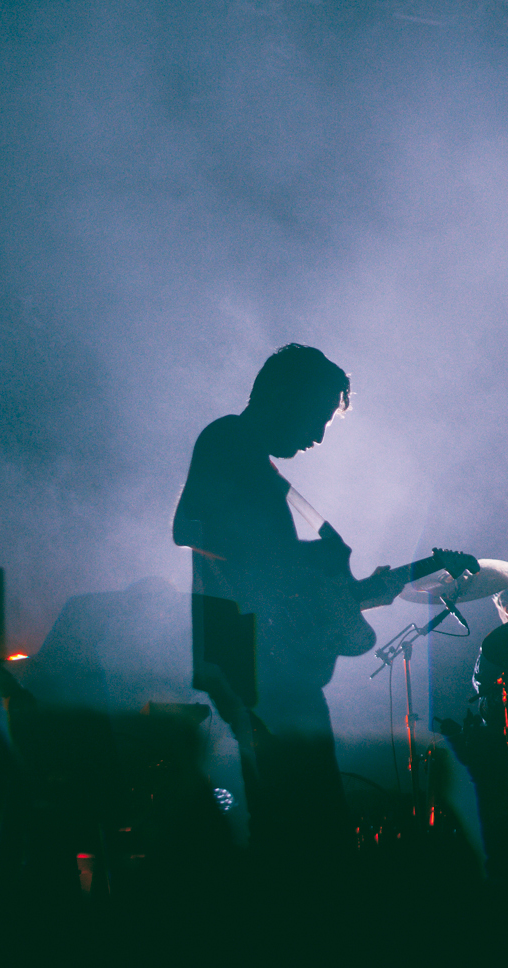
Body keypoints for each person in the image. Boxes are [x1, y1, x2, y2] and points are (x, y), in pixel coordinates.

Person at [172, 344, 405, 863]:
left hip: (269, 666)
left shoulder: (260, 467)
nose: (317, 436)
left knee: (295, 825)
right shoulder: (228, 438)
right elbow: (186, 527)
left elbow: (286, 596)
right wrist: (303, 565)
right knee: (309, 831)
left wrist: (357, 593)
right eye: (315, 418)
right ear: (281, 395)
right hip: (253, 666)